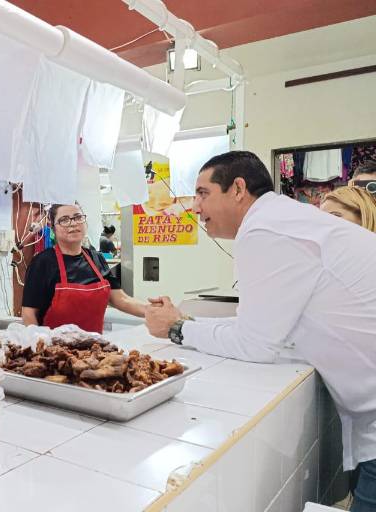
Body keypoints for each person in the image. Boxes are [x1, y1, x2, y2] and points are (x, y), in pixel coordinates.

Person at [144, 151, 376, 512]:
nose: (195, 207)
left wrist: (176, 329)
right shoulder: (285, 220)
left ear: (238, 188)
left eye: (203, 193)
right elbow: (260, 325)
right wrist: (184, 323)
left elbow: (256, 343)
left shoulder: (265, 229)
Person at [21, 203, 150, 333]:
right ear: (54, 228)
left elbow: (121, 299)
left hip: (94, 349)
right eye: (64, 220)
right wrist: (39, 344)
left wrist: (152, 310)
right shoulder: (42, 263)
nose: (73, 223)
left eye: (78, 217)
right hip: (54, 350)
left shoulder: (97, 258)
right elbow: (28, 313)